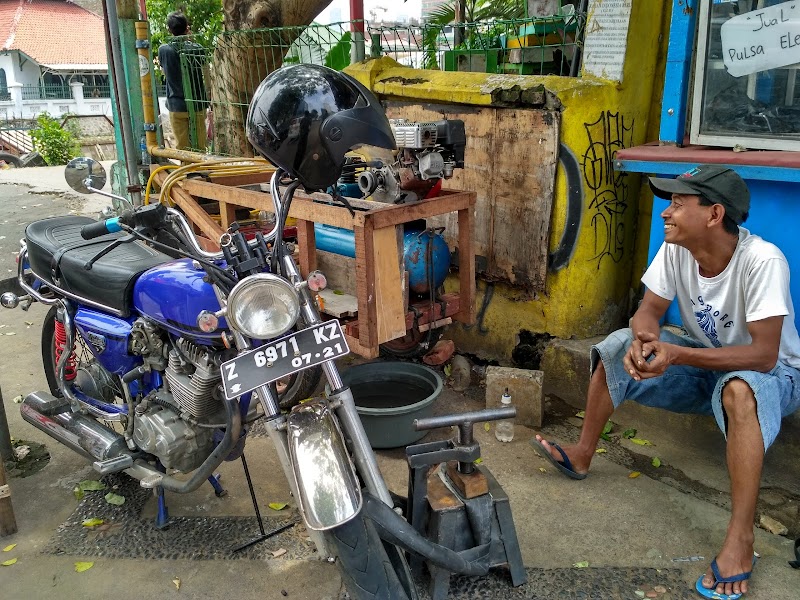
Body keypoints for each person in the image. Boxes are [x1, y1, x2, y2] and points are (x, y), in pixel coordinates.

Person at [531, 164, 800, 600]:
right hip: (705, 361)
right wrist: (645, 339)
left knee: (739, 387)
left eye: (678, 203)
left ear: (714, 214)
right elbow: (648, 309)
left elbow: (764, 354)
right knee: (618, 345)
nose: (665, 213)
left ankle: (741, 538)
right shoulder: (677, 249)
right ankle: (582, 453)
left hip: (774, 376)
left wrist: (676, 354)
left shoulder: (762, 261)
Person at [157, 11, 208, 151]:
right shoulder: (197, 49)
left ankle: (186, 171)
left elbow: (164, 73)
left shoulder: (163, 50)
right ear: (187, 28)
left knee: (181, 147)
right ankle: (201, 171)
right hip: (197, 104)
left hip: (176, 104)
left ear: (169, 30)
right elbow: (206, 74)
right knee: (200, 146)